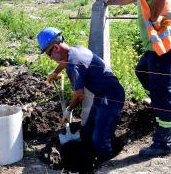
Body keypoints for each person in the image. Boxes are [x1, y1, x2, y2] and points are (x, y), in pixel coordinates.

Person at [97, 0, 171, 157]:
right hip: (158, 47)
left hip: (163, 48)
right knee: (142, 70)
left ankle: (164, 141)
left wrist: (154, 18)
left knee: (162, 93)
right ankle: (161, 99)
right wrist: (108, 1)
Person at [37, 27, 125, 164]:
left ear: (55, 47)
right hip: (102, 95)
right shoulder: (75, 50)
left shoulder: (73, 64)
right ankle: (90, 158)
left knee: (99, 141)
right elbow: (64, 62)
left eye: (49, 54)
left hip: (111, 97)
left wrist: (69, 110)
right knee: (87, 132)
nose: (50, 58)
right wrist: (55, 72)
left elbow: (79, 95)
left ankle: (105, 164)